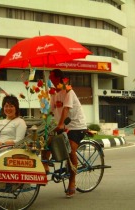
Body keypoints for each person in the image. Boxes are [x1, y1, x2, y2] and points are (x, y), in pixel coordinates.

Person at [48, 69, 87, 198]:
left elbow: (66, 109)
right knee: (46, 141)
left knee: (70, 151)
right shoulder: (54, 93)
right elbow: (50, 111)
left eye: (51, 77)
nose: (50, 79)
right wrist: (45, 122)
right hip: (62, 127)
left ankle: (72, 182)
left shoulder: (68, 91)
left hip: (76, 126)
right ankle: (44, 166)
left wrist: (60, 125)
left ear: (59, 78)